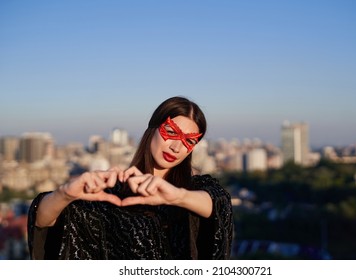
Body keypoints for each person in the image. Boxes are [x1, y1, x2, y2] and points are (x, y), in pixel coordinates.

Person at [27, 96, 233, 260]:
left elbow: (219, 204)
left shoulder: (195, 188)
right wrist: (65, 194)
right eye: (171, 132)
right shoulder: (111, 196)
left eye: (189, 141)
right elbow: (43, 219)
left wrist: (177, 197)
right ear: (152, 129)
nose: (176, 147)